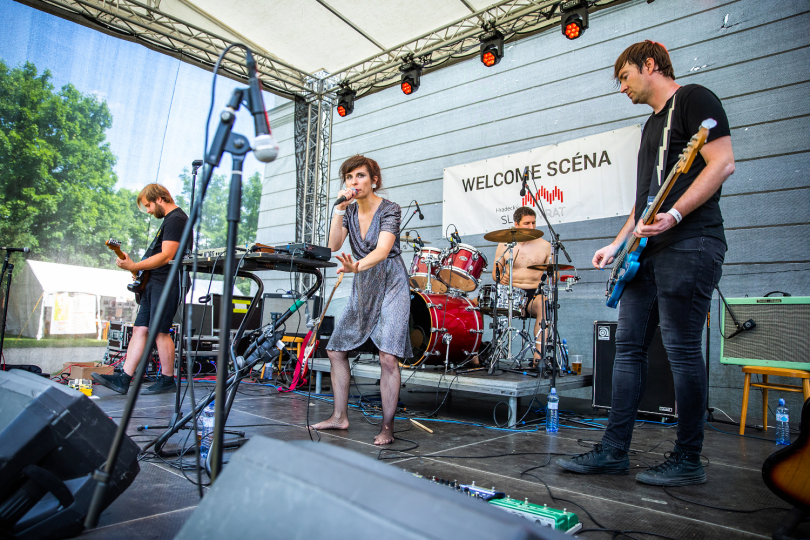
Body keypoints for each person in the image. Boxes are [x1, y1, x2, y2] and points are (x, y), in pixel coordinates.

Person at [557, 41, 735, 485]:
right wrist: (616, 246)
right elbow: (643, 206)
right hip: (645, 254)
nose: (622, 88)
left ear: (649, 65)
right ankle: (614, 450)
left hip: (691, 242)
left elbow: (722, 163)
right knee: (628, 348)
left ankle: (688, 458)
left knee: (680, 348)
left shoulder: (695, 99)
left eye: (624, 77)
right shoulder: (649, 127)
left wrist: (675, 214)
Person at [311, 155, 411, 445]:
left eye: (360, 176)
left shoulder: (390, 208)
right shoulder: (350, 212)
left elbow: (382, 251)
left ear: (374, 180)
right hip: (364, 283)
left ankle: (387, 428)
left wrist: (358, 266)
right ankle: (339, 417)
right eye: (350, 177)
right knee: (335, 350)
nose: (354, 182)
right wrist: (339, 211)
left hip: (391, 281)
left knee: (388, 357)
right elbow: (332, 246)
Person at [93, 184, 189, 395]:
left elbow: (167, 256)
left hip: (167, 282)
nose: (147, 210)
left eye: (148, 205)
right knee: (140, 329)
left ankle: (167, 379)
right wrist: (137, 267)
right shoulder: (169, 221)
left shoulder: (176, 219)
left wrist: (135, 266)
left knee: (160, 331)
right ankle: (124, 378)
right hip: (155, 281)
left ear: (160, 199)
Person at [491, 206, 551, 366]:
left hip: (533, 294)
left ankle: (539, 359)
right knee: (476, 305)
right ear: (516, 224)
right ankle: (475, 354)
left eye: (534, 223)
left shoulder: (545, 245)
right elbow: (495, 272)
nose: (532, 227)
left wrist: (553, 273)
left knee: (544, 305)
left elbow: (553, 273)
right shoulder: (505, 244)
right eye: (527, 223)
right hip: (509, 293)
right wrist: (501, 277)